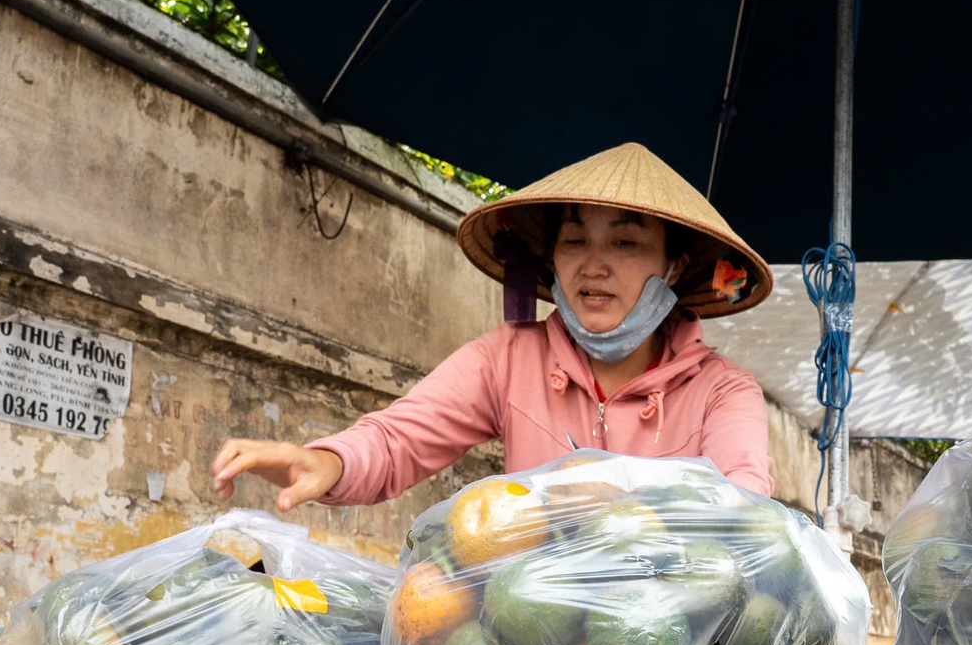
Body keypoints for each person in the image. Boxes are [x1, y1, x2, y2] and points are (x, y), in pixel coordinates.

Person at [211, 142, 776, 506]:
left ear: (673, 266)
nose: (593, 265)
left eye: (626, 242)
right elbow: (397, 439)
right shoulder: (508, 359)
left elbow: (743, 519)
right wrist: (328, 460)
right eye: (574, 239)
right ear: (551, 256)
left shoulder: (722, 391)